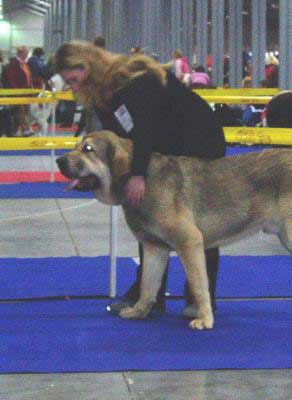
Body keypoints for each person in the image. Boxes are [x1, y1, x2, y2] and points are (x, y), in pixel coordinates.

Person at [54, 40, 226, 317]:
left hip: (198, 140)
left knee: (198, 221)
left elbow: (147, 130)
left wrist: (138, 174)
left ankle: (201, 298)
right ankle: (148, 296)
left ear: (86, 66)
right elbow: (119, 141)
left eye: (73, 79)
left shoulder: (132, 79)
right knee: (147, 219)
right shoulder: (100, 93)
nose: (72, 87)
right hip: (161, 144)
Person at [2, 46, 33, 137]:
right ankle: (25, 130)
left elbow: (28, 77)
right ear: (20, 53)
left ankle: (15, 131)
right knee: (19, 112)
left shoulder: (25, 64)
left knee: (23, 112)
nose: (27, 55)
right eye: (26, 53)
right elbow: (11, 80)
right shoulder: (13, 64)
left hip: (26, 93)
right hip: (17, 94)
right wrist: (17, 92)